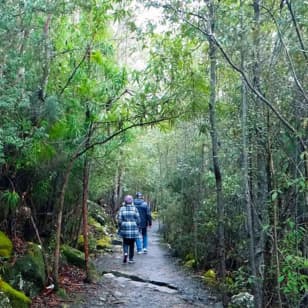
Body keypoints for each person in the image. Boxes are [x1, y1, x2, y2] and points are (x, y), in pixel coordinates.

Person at [117, 195, 140, 264]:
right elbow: (138, 219)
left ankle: (125, 253)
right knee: (132, 244)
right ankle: (131, 259)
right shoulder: (135, 209)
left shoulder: (122, 209)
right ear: (132, 201)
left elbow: (119, 220)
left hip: (125, 228)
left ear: (125, 201)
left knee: (125, 242)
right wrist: (136, 225)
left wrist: (121, 225)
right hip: (133, 228)